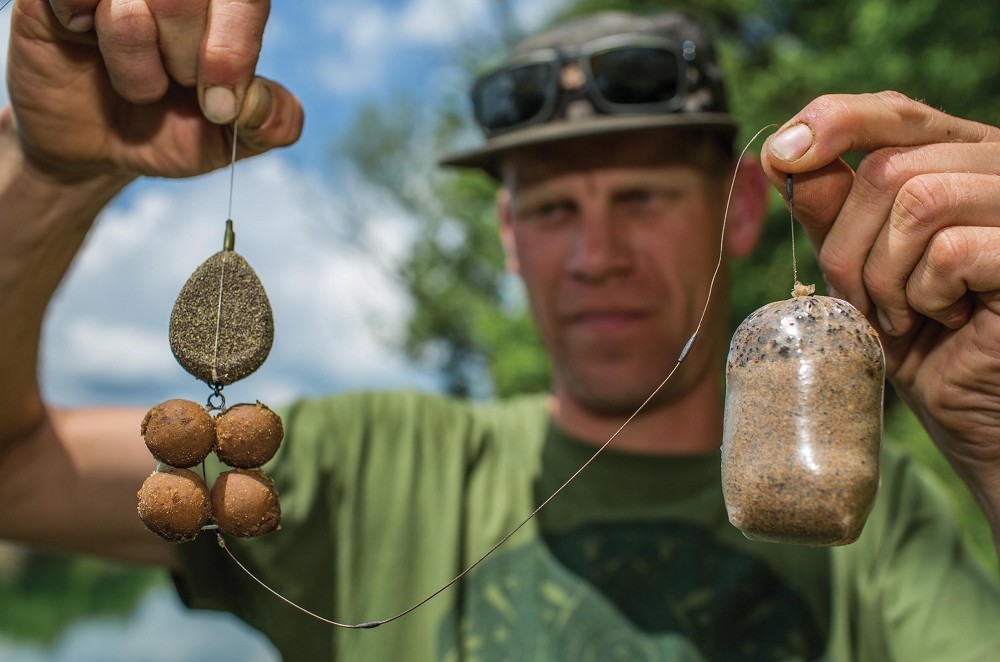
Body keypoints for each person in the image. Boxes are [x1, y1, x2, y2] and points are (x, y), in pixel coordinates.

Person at [1, 1, 999, 660]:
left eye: (643, 194)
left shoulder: (895, 519)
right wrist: (54, 179)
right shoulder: (373, 467)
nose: (595, 253)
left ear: (743, 207)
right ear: (508, 235)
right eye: (554, 209)